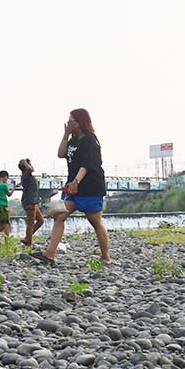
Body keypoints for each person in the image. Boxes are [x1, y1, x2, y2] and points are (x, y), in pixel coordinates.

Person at [33, 108, 110, 266]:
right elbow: (61, 154)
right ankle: (50, 254)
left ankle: (106, 257)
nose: (69, 123)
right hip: (72, 187)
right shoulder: (73, 140)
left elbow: (87, 165)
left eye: (72, 121)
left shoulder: (90, 140)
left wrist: (76, 181)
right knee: (59, 216)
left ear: (80, 122)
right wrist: (66, 134)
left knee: (95, 222)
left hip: (89, 187)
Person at [19, 159, 44, 246]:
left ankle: (27, 238)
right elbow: (30, 169)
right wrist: (25, 162)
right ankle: (29, 243)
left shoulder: (26, 175)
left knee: (40, 220)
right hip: (30, 202)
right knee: (30, 223)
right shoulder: (26, 174)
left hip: (33, 201)